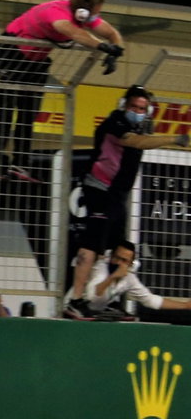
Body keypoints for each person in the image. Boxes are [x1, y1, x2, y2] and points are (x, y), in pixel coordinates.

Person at [64, 86, 189, 319]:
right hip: (100, 188)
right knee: (91, 245)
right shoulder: (115, 123)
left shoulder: (141, 125)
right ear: (124, 105)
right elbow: (136, 143)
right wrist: (174, 138)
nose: (137, 112)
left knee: (116, 248)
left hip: (118, 194)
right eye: (133, 107)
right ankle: (76, 300)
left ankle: (104, 301)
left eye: (142, 109)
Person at [0, 0, 125, 183]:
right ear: (82, 11)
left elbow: (112, 33)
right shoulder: (56, 14)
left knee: (29, 111)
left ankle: (20, 163)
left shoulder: (85, 16)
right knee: (7, 105)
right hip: (12, 49)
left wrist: (115, 53)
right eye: (96, 11)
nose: (98, 16)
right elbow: (76, 34)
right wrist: (104, 47)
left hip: (35, 58)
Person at [65, 240, 191, 321]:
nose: (120, 263)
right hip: (75, 314)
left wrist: (185, 305)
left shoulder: (129, 277)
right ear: (111, 257)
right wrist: (113, 277)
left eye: (124, 261)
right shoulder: (100, 268)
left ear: (131, 264)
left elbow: (150, 300)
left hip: (95, 316)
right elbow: (93, 295)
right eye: (117, 258)